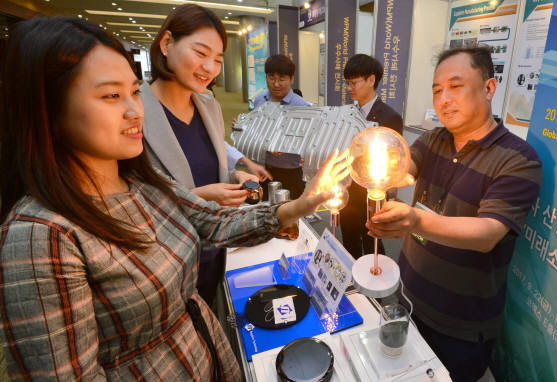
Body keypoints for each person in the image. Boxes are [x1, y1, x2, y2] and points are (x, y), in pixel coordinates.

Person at [0, 16, 348, 380]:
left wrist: (308, 201)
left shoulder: (138, 182)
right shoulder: (41, 237)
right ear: (49, 111)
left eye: (134, 92)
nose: (136, 110)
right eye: (111, 96)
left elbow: (211, 220)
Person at [367, 46, 543, 381]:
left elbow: (487, 234)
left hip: (461, 323)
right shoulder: (434, 139)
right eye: (436, 90)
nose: (444, 99)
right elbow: (405, 169)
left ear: (489, 88)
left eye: (456, 86)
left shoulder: (518, 159)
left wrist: (416, 220)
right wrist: (382, 172)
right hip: (406, 295)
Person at [142, 4, 264, 305]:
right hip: (168, 265)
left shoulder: (208, 105)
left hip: (214, 250)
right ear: (167, 43)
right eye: (200, 53)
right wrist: (202, 197)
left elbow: (209, 162)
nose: (209, 67)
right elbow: (134, 204)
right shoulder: (135, 113)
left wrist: (235, 176)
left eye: (218, 59)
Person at [341, 53, 404, 259]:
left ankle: (374, 283)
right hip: (347, 189)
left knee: (372, 239)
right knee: (348, 237)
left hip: (371, 192)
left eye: (354, 83)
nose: (350, 88)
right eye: (347, 83)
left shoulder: (389, 117)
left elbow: (392, 161)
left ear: (371, 80)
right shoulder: (348, 113)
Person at [231, 54, 312, 200]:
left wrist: (286, 146)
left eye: (282, 79)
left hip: (291, 171)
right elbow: (256, 129)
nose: (276, 84)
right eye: (271, 78)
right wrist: (241, 130)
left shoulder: (301, 106)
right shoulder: (259, 100)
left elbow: (308, 140)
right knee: (266, 211)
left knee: (291, 214)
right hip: (263, 168)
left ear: (291, 79)